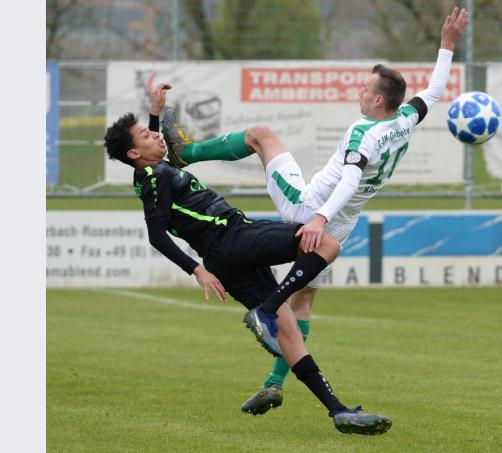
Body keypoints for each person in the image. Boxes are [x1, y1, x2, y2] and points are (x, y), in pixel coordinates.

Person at [159, 6, 469, 417]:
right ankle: (273, 383)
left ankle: (185, 154)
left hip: (308, 205)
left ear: (378, 99)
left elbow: (350, 178)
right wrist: (446, 46)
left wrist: (317, 217)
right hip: (343, 223)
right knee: (302, 304)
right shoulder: (404, 120)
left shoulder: (365, 132)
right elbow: (432, 93)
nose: (359, 92)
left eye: (364, 88)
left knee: (260, 135)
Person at [102, 84, 391, 435]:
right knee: (325, 244)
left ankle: (339, 412)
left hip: (225, 255)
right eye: (147, 135)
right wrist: (197, 270)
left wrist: (156, 113)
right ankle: (266, 309)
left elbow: (154, 160)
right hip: (232, 239)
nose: (156, 136)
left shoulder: (150, 170)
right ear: (134, 153)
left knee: (288, 333)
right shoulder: (151, 176)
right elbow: (156, 233)